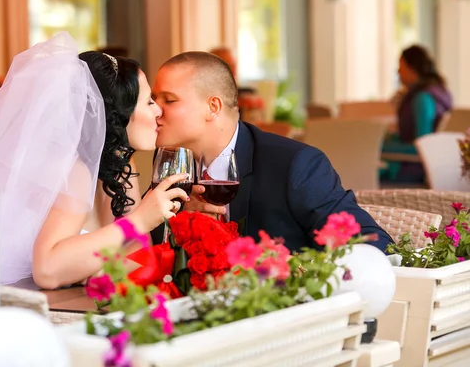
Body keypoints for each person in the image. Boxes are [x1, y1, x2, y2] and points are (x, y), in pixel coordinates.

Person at [0, 32, 189, 288]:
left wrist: (103, 261)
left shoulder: (118, 166)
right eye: (149, 101)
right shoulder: (74, 170)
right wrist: (140, 220)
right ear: (119, 114)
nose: (158, 112)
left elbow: (133, 256)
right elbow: (48, 270)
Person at [150, 51, 393, 252]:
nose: (155, 111)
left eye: (169, 100)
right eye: (153, 100)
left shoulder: (294, 165)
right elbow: (143, 244)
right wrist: (178, 222)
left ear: (213, 107)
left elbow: (371, 243)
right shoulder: (171, 166)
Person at [382, 45, 453, 182]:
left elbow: (422, 146)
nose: (398, 71)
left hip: (414, 170)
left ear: (412, 68)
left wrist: (380, 146)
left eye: (401, 66)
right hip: (423, 167)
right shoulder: (435, 93)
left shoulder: (422, 99)